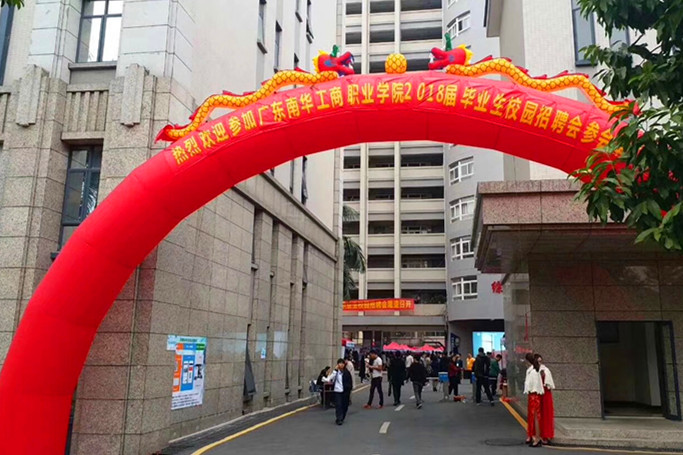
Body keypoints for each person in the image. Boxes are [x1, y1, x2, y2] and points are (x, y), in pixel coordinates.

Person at [322, 359, 353, 425]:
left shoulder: (346, 373)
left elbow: (350, 382)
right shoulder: (335, 372)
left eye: (342, 363)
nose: (341, 365)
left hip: (345, 391)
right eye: (339, 363)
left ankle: (342, 417)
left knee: (344, 405)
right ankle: (339, 418)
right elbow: (329, 379)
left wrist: (349, 390)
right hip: (337, 391)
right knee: (338, 405)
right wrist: (335, 371)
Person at [524, 353, 544, 447]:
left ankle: (537, 438)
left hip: (534, 396)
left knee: (535, 417)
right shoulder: (535, 370)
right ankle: (534, 436)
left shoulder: (532, 372)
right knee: (535, 417)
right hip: (535, 395)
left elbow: (532, 385)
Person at [535, 353, 555, 445]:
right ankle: (539, 435)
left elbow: (549, 383)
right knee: (539, 415)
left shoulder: (546, 370)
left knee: (546, 414)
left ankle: (546, 435)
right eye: (538, 361)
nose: (540, 363)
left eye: (540, 361)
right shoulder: (534, 371)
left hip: (546, 394)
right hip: (538, 394)